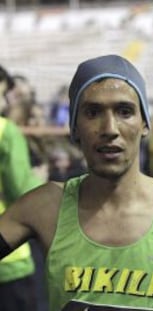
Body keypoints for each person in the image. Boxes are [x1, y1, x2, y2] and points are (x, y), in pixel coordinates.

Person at [0, 55, 153, 310]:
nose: (110, 128)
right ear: (74, 127)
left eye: (124, 111)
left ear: (144, 123)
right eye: (92, 112)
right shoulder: (46, 206)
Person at [0, 65, 44, 310]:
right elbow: (23, 191)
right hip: (8, 258)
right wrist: (40, 181)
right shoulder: (5, 131)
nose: (5, 102)